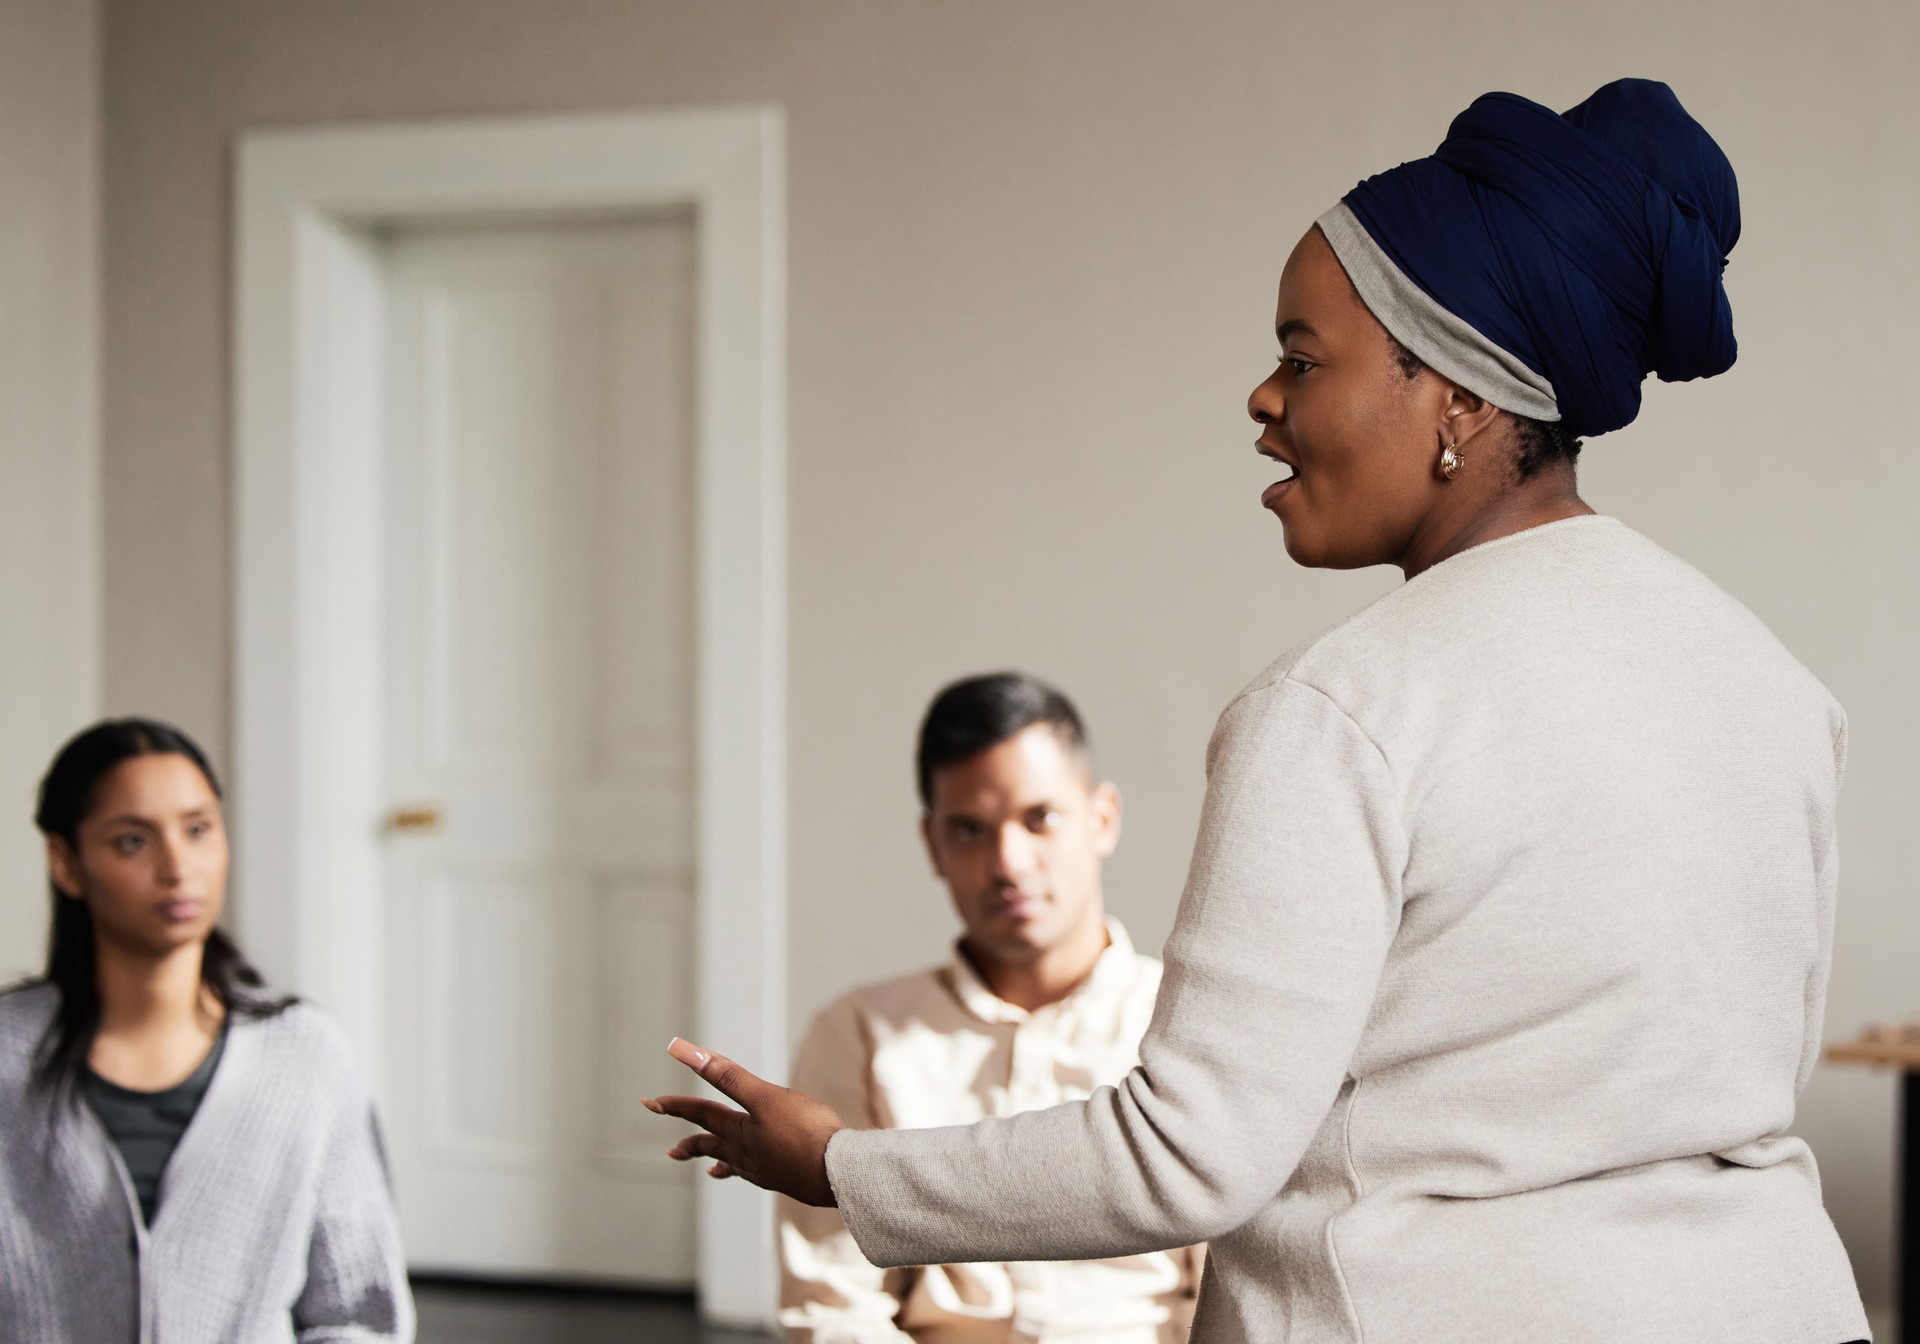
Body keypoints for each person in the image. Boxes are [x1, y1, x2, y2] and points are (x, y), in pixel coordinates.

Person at [646, 79, 1872, 1342]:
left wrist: (840, 1167)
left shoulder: (1339, 710)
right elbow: (1739, 1085)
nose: (1262, 399)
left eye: (1302, 357)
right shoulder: (1775, 687)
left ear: (1459, 392)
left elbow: (1189, 1154)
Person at [778, 673, 1202, 1343]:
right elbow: (832, 1309)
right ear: (932, 845)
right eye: (970, 830)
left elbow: (1232, 1294)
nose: (1008, 862)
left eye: (1040, 818)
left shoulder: (1188, 1025)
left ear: (1102, 818)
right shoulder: (858, 1035)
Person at [0, 719, 414, 1343]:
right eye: (133, 841)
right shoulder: (8, 1058)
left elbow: (358, 1313)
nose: (177, 867)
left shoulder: (306, 1058)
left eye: (197, 830)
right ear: (67, 863)